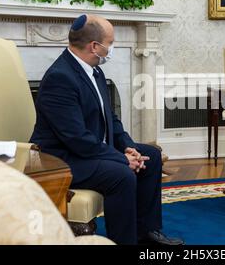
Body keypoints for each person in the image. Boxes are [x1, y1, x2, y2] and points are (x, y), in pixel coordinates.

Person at [30, 14, 184, 245]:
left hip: (87, 150)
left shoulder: (95, 70)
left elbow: (111, 118)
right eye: (110, 43)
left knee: (149, 156)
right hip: (61, 158)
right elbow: (76, 138)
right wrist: (122, 159)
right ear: (95, 46)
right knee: (120, 174)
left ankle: (146, 233)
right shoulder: (60, 77)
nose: (111, 48)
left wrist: (129, 148)